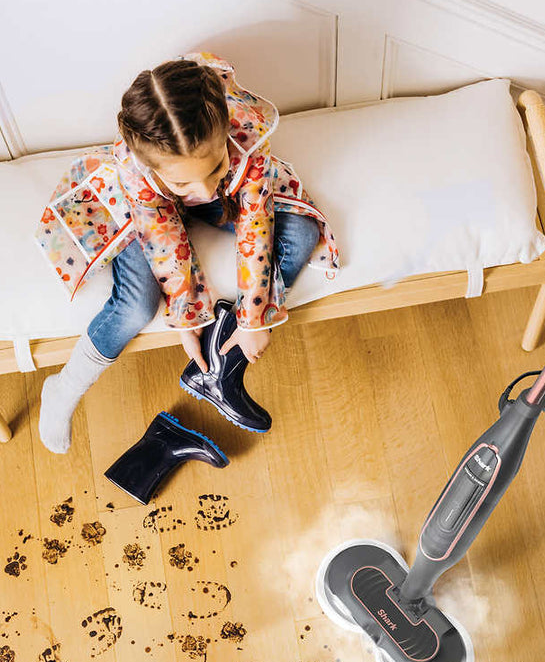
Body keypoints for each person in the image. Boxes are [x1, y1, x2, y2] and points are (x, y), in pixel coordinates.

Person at [36, 52, 337, 453]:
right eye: (187, 183)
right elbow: (164, 241)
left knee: (300, 230)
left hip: (226, 183)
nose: (206, 191)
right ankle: (63, 387)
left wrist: (253, 319)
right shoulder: (135, 167)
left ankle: (219, 372)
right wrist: (188, 317)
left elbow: (255, 224)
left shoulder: (245, 132)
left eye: (213, 171)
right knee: (137, 306)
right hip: (145, 208)